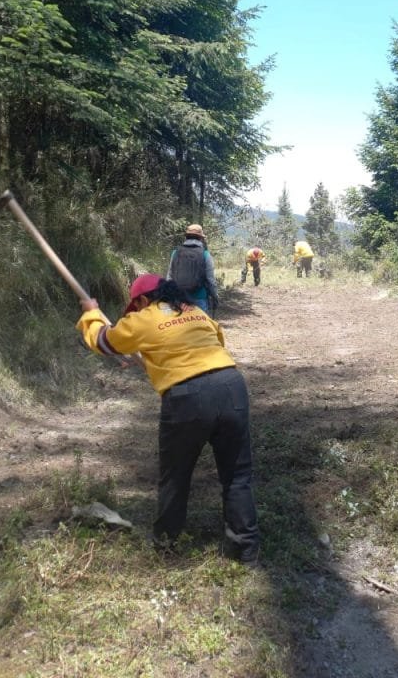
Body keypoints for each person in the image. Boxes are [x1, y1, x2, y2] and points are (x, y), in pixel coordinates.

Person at [75, 273, 260, 564]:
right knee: (237, 475)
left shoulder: (144, 318)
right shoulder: (194, 311)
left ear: (144, 300)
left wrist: (92, 314)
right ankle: (245, 551)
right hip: (230, 385)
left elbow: (102, 342)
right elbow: (214, 341)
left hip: (188, 397)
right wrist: (151, 357)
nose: (135, 313)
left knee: (175, 475)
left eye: (135, 307)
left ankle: (166, 546)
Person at [167, 223, 218, 315]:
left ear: (186, 237)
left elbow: (170, 276)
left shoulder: (175, 253)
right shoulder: (205, 254)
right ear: (201, 238)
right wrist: (215, 296)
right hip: (199, 298)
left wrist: (169, 295)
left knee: (180, 326)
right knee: (200, 326)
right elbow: (211, 280)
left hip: (179, 298)